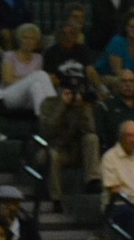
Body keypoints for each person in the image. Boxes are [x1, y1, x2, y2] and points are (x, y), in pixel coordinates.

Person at [38, 77, 102, 211]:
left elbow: (90, 130)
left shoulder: (80, 106)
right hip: (52, 149)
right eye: (69, 91)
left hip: (73, 151)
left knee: (91, 138)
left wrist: (83, 108)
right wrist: (62, 106)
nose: (72, 95)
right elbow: (47, 131)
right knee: (53, 155)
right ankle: (56, 199)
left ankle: (93, 180)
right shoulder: (48, 103)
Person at [0, 21, 56, 116]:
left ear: (36, 42)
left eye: (32, 38)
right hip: (10, 95)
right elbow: (8, 80)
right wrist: (31, 78)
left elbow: (37, 83)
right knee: (41, 75)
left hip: (28, 98)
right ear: (19, 40)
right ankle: (56, 110)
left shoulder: (38, 58)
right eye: (25, 38)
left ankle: (44, 123)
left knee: (36, 87)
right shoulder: (9, 55)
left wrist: (31, 80)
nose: (28, 41)